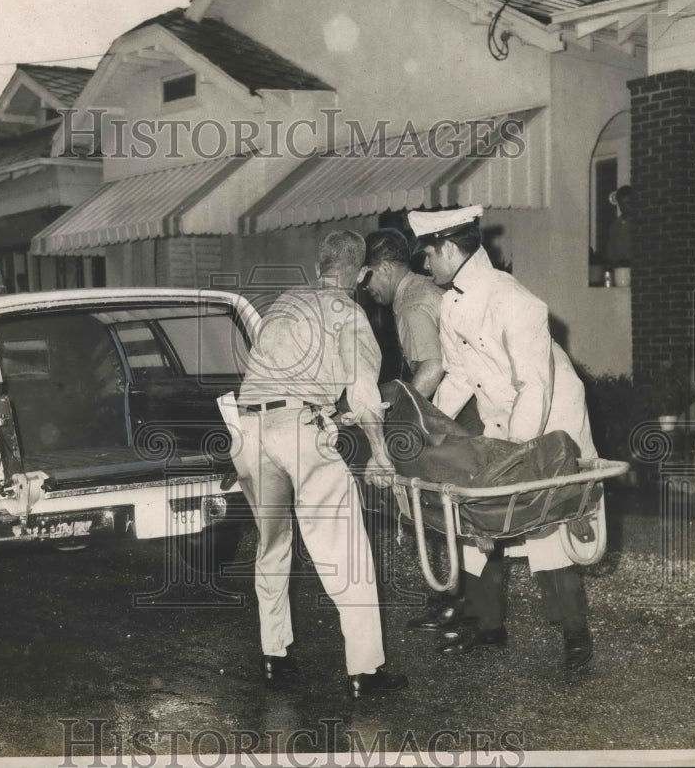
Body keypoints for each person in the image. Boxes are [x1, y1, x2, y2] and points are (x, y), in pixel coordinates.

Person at [410, 204, 598, 670]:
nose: (425, 265)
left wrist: (516, 454)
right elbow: (459, 376)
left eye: (428, 255)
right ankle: (489, 626)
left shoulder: (515, 301)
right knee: (481, 518)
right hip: (504, 419)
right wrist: (423, 426)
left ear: (450, 249)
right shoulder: (452, 302)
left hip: (548, 422)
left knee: (545, 524)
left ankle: (576, 635)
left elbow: (535, 385)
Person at [234, 229, 409, 698]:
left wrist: (326, 412)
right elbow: (365, 392)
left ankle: (275, 656)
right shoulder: (349, 311)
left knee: (272, 545)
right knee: (345, 548)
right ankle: (365, 671)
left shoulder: (285, 302)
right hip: (297, 431)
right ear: (362, 273)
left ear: (318, 268)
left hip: (247, 428)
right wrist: (380, 451)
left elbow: (277, 377)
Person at [361, 228, 473, 632]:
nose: (366, 286)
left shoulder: (410, 303)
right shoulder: (424, 287)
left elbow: (433, 367)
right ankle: (454, 600)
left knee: (443, 507)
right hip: (466, 405)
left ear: (387, 268)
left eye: (368, 275)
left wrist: (408, 421)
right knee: (450, 508)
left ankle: (454, 603)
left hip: (457, 412)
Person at [605, 185, 632, 267]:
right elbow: (610, 252)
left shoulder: (639, 223)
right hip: (619, 269)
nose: (624, 207)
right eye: (621, 203)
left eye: (627, 203)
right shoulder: (614, 226)